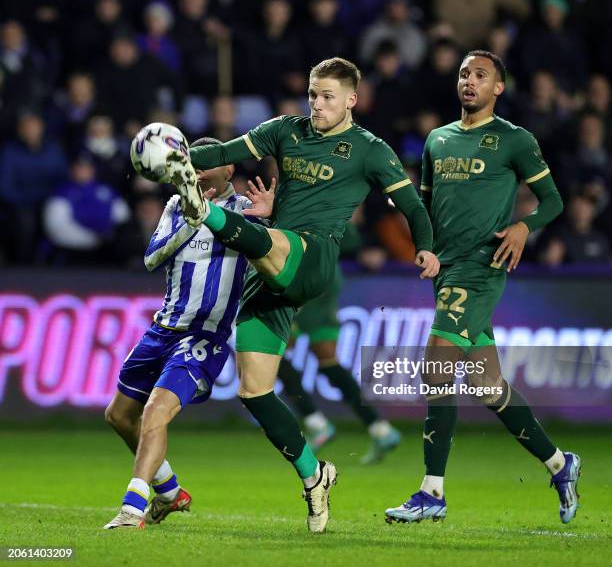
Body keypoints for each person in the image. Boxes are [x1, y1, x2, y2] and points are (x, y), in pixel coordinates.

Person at [165, 57, 439, 533]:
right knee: (255, 389)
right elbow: (220, 153)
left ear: (352, 99)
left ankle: (202, 212)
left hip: (312, 258)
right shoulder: (284, 131)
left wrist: (428, 249)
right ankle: (315, 475)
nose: (317, 104)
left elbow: (412, 204)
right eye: (313, 94)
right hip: (275, 264)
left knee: (270, 240)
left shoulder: (369, 150)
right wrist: (174, 156)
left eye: (328, 96)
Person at [384, 50, 581, 525]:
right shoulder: (436, 141)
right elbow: (426, 210)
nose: (469, 81)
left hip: (482, 266)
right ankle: (560, 463)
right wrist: (425, 247)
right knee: (486, 385)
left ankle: (432, 491)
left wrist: (524, 227)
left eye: (480, 75)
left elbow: (555, 200)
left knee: (435, 367)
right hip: (448, 270)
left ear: (498, 88)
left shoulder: (513, 140)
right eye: (463, 74)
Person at [103, 137, 265, 529]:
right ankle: (171, 493)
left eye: (206, 165)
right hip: (163, 328)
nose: (197, 172)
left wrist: (274, 218)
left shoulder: (247, 211)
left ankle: (131, 509)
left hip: (204, 335)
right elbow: (151, 257)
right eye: (192, 166)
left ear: (228, 170)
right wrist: (191, 223)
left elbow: (277, 250)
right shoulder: (176, 206)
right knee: (120, 415)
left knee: (156, 413)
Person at [277, 222, 402, 464]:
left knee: (274, 355)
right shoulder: (331, 202)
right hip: (328, 278)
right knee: (328, 362)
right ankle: (380, 428)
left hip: (300, 280)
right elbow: (353, 238)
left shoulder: (294, 198)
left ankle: (316, 423)